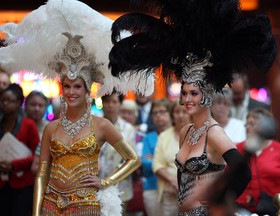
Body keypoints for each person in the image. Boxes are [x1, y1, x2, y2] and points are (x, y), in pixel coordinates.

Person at [107, 1, 276, 215]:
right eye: (184, 93)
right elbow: (182, 177)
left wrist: (218, 198)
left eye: (193, 93)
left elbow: (243, 173)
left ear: (206, 94)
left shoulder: (213, 132)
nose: (187, 99)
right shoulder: (186, 131)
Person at [0, 0, 154, 215]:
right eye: (67, 86)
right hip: (51, 205)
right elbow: (42, 173)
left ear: (88, 89)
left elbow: (133, 159)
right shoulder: (51, 128)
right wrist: (36, 212)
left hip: (86, 206)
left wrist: (106, 181)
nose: (71, 92)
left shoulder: (102, 125)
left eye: (77, 86)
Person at [0, 83, 40, 216]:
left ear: (19, 103)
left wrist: (13, 165)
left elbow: (37, 155)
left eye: (10, 101)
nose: (5, 104)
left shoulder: (28, 125)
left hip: (22, 185)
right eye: (2, 100)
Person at [236, 108, 280, 215]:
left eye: (253, 124)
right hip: (240, 207)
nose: (248, 128)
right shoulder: (237, 148)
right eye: (247, 124)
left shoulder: (278, 150)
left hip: (271, 208)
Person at [100, 91, 137, 215]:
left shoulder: (128, 129)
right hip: (95, 181)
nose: (110, 105)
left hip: (120, 185)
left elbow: (132, 158)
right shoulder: (94, 124)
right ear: (102, 103)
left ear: (120, 104)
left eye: (114, 102)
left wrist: (111, 178)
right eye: (107, 101)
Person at [152, 101, 191, 216]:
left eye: (184, 111)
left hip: (193, 193)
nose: (180, 115)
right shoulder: (164, 136)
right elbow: (157, 164)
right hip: (169, 190)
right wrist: (174, 181)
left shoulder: (199, 134)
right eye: (176, 112)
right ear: (172, 115)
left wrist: (184, 184)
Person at [142, 99, 172, 216]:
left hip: (173, 187)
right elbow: (145, 164)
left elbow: (178, 163)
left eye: (162, 112)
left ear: (170, 113)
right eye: (155, 113)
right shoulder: (148, 137)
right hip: (152, 187)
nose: (158, 115)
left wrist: (155, 159)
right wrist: (167, 161)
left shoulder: (177, 134)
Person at [24, 91, 49, 174]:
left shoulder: (50, 128)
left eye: (40, 105)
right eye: (33, 105)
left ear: (45, 108)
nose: (37, 109)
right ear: (26, 106)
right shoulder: (17, 125)